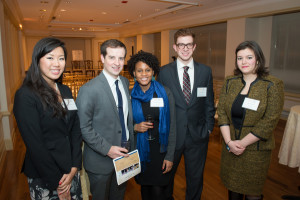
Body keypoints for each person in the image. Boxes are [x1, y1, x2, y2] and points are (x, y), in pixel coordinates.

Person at [13, 37, 83, 200]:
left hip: (70, 170)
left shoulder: (65, 90)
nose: (57, 64)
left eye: (61, 58)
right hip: (46, 175)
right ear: (37, 60)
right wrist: (58, 183)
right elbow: (35, 144)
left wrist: (74, 167)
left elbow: (74, 129)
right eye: (50, 58)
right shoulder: (26, 95)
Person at [217, 41, 284, 200]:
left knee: (252, 193)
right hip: (230, 147)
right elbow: (222, 112)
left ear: (258, 60)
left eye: (249, 57)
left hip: (256, 150)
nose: (244, 62)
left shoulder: (272, 85)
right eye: (240, 58)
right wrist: (229, 142)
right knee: (232, 189)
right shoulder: (230, 82)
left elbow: (269, 121)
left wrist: (242, 144)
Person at [157, 28, 215, 200]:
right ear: (175, 47)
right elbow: (160, 104)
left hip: (198, 135)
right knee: (166, 178)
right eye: (181, 45)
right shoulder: (164, 72)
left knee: (195, 179)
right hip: (172, 137)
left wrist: (209, 128)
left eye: (189, 44)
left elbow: (209, 103)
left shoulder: (205, 71)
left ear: (194, 46)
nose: (185, 48)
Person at [76, 39, 134, 200]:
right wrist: (107, 149)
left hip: (125, 157)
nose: (117, 63)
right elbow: (83, 127)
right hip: (100, 161)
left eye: (121, 58)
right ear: (102, 58)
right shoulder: (88, 90)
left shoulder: (123, 81)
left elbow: (124, 119)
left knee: (118, 197)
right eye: (112, 57)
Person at [128, 50, 176, 200]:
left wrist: (170, 155)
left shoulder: (164, 92)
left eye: (148, 70)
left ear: (153, 71)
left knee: (158, 193)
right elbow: (123, 124)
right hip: (140, 151)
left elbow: (172, 126)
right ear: (134, 73)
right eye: (139, 70)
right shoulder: (129, 95)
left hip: (160, 152)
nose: (144, 74)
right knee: (145, 191)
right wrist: (134, 128)